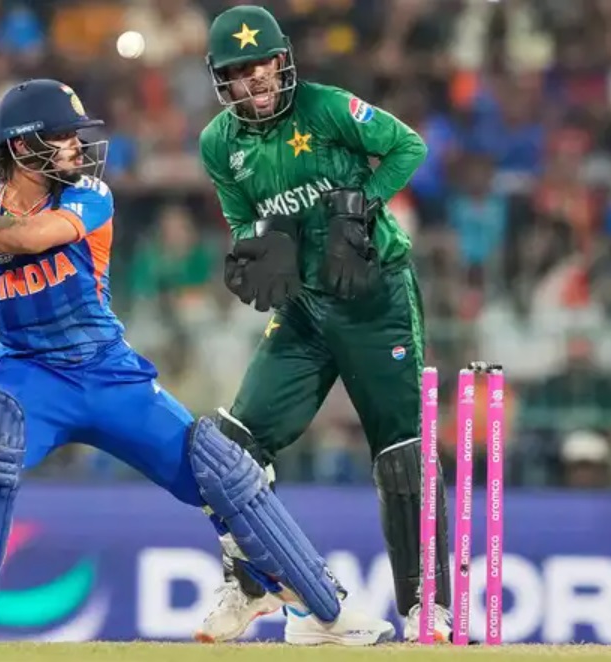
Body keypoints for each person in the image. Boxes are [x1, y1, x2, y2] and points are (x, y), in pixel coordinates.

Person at [0, 78, 395, 646]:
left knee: (221, 468)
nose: (78, 147)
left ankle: (321, 610)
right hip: (29, 373)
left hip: (107, 371)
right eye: (64, 136)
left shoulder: (87, 196)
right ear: (24, 146)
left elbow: (33, 236)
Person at [196, 5, 452, 644]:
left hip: (374, 297)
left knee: (401, 453)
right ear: (221, 80)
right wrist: (256, 244)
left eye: (261, 64)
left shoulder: (328, 106)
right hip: (304, 307)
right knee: (231, 447)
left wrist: (362, 208)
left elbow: (408, 146)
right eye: (238, 71)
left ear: (282, 61)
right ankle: (253, 586)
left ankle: (428, 608)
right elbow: (239, 217)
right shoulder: (219, 143)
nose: (254, 79)